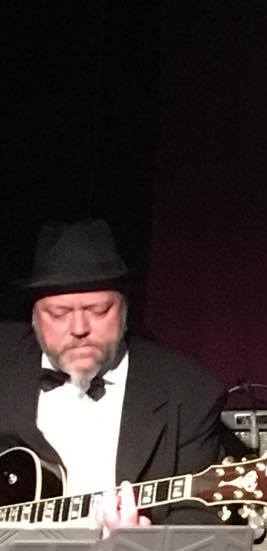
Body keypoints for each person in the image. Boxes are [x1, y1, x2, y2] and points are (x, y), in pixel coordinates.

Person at [0, 218, 225, 531]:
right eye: (59, 314)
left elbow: (199, 520)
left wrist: (143, 545)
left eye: (98, 310)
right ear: (34, 317)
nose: (79, 329)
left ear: (125, 310)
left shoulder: (187, 391)